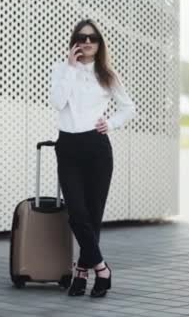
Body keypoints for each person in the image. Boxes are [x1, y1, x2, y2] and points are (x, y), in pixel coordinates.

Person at [49, 19, 136, 297]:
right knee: (77, 213)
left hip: (97, 148)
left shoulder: (107, 74)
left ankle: (81, 273)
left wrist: (110, 124)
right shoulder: (61, 69)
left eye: (93, 38)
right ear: (75, 40)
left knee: (92, 216)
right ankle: (101, 269)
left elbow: (128, 108)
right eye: (82, 37)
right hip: (69, 147)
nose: (87, 42)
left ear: (99, 44)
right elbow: (57, 102)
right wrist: (72, 70)